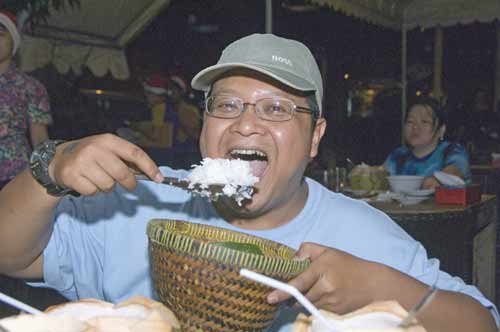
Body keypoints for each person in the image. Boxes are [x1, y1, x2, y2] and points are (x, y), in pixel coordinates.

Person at [0, 34, 497, 332]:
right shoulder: (131, 205)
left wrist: (395, 292)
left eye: (277, 109)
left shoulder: (363, 235)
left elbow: (482, 324)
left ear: (315, 138)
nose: (246, 124)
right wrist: (49, 169)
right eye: (228, 105)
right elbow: (10, 254)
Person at [0, 10, 52, 190]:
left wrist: (47, 179)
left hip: (14, 176)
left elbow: (39, 138)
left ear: (13, 41)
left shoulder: (31, 87)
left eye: (0, 34)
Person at [384, 97, 471, 189]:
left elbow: (454, 171)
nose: (415, 127)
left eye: (424, 122)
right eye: (410, 121)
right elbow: (380, 178)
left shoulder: (452, 151)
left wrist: (437, 180)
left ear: (441, 130)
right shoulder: (398, 155)